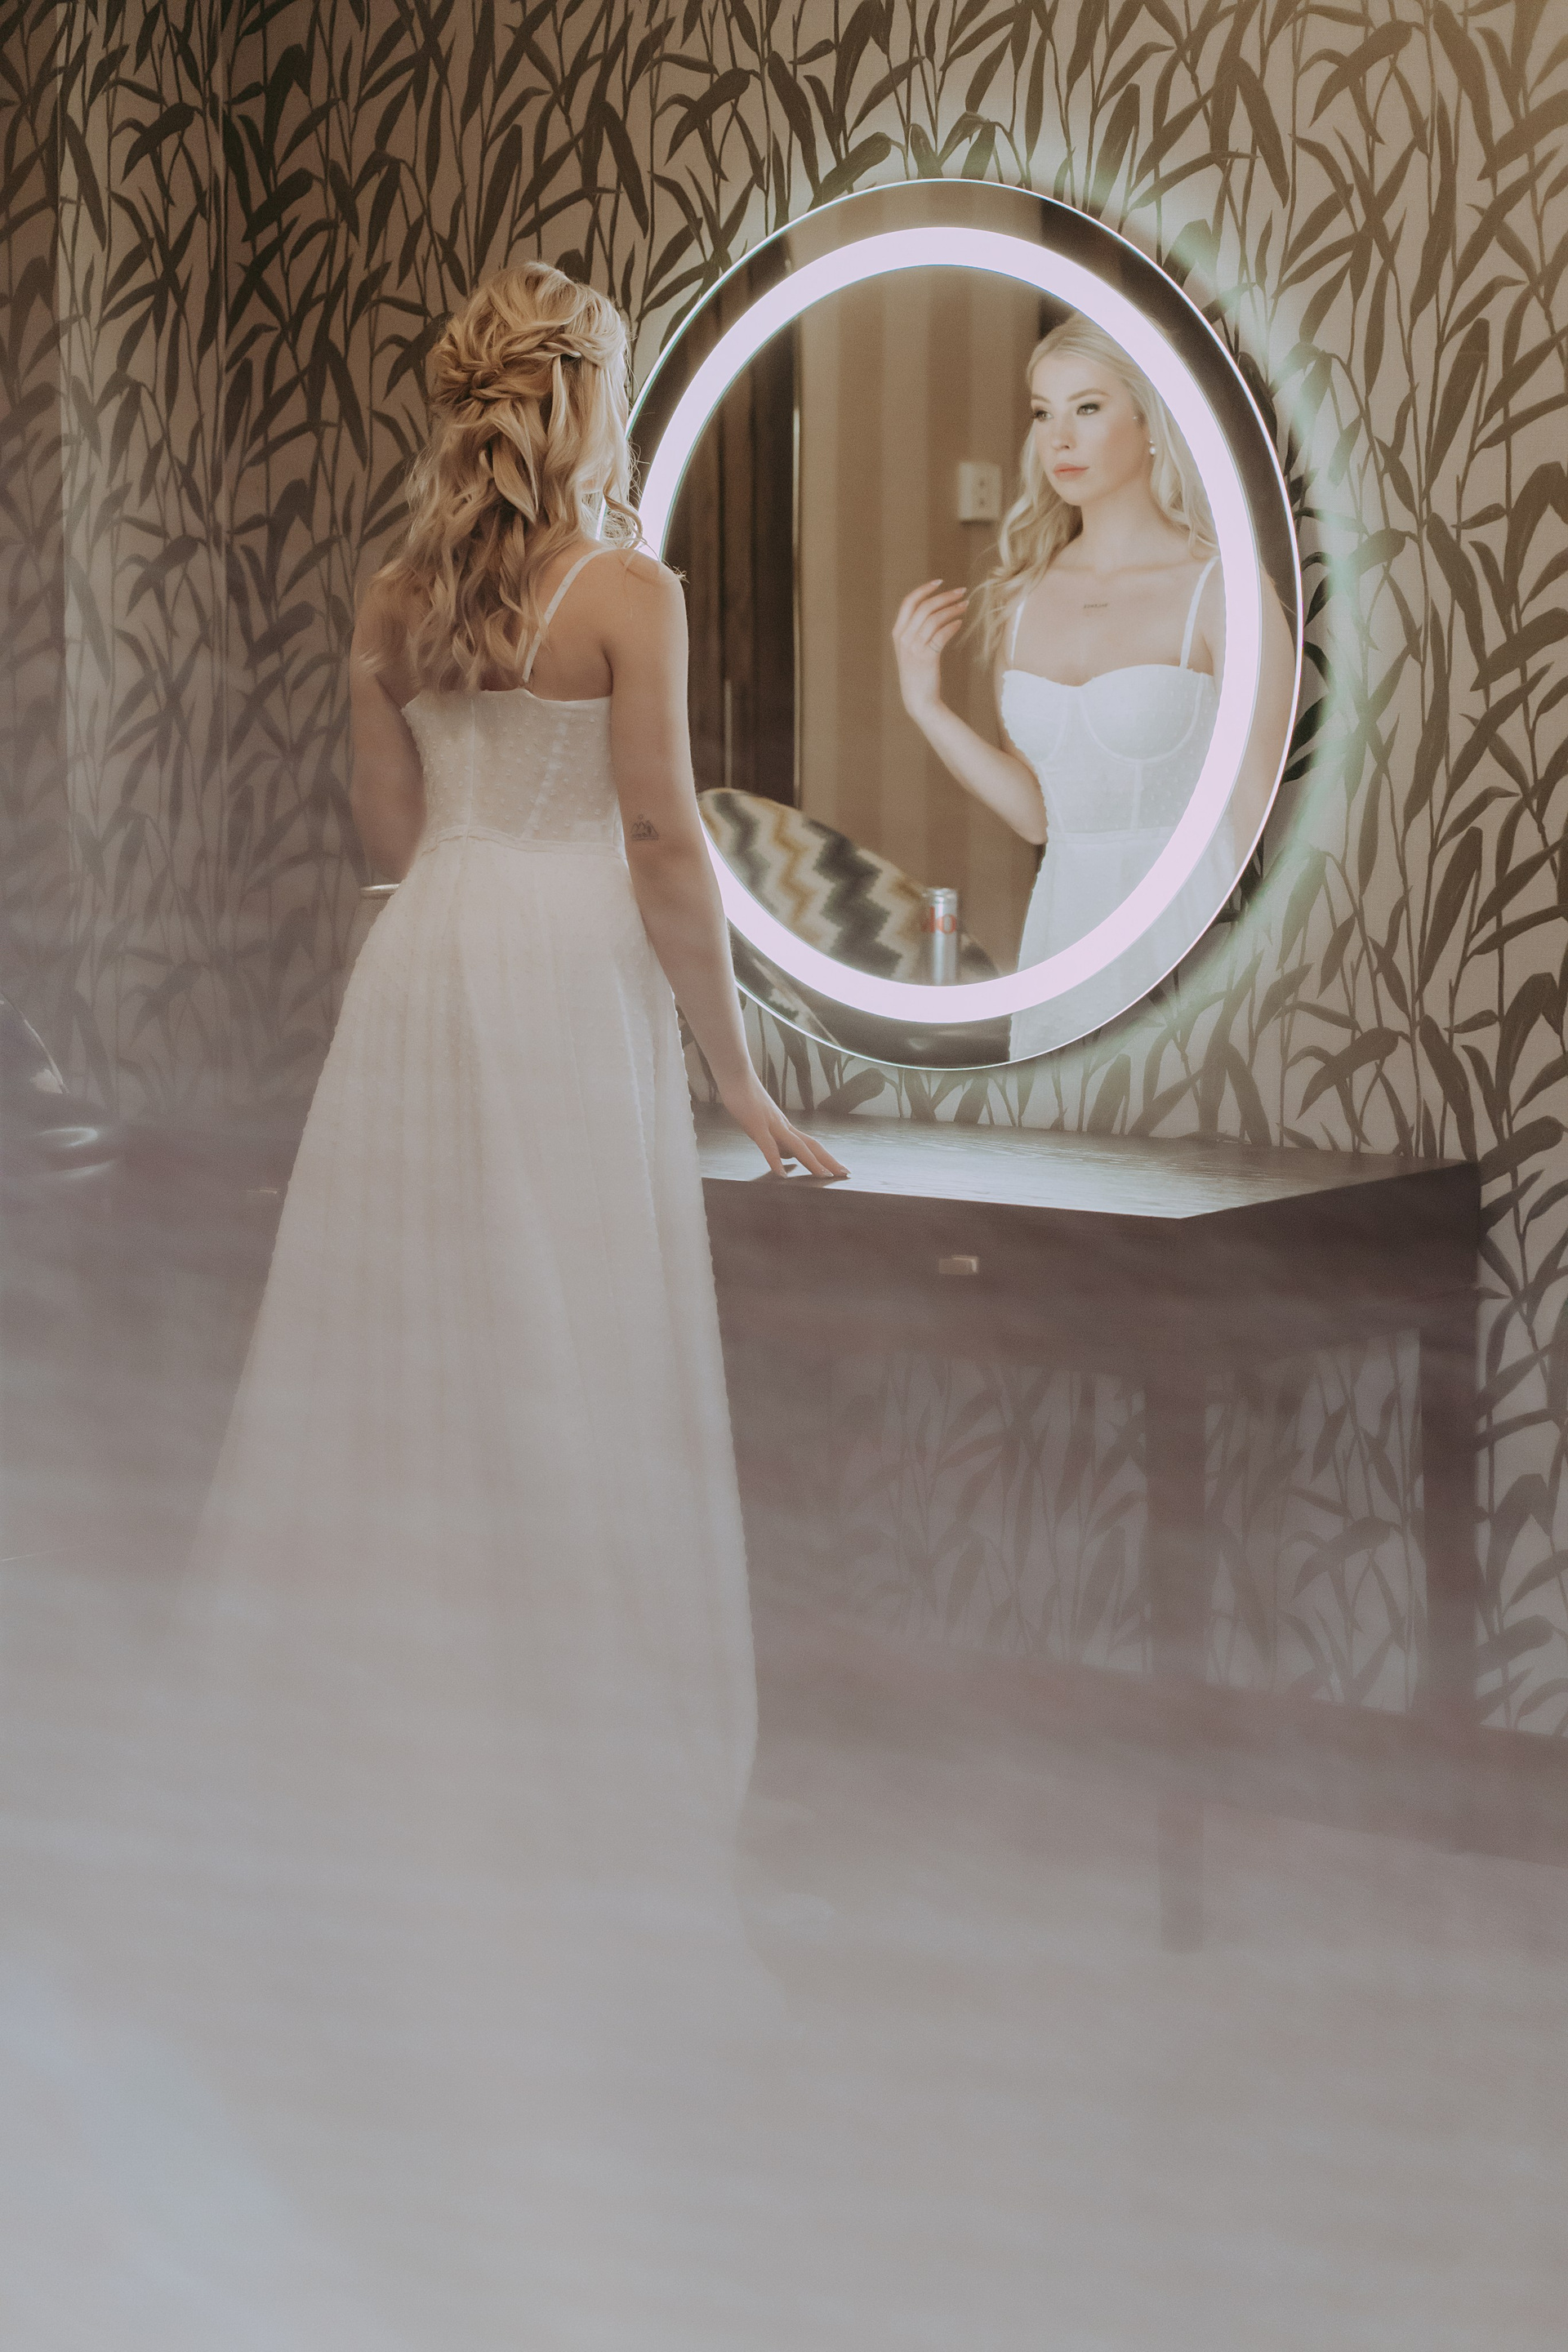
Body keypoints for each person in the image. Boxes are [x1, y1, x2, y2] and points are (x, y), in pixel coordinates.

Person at [189, 257, 846, 1898]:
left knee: (416, 1336)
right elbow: (664, 844)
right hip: (563, 972)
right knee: (569, 1337)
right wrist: (741, 1080)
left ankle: (391, 1765)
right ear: (586, 396)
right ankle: (559, 1772)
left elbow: (391, 832)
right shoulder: (629, 593)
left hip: (425, 960)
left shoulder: (391, 599)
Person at [892, 313, 1255, 1060]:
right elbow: (1038, 817)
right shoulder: (1023, 595)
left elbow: (1255, 814)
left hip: (1191, 925)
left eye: (1087, 408)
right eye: (1042, 413)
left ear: (1149, 422)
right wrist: (925, 705)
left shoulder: (1220, 589)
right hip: (1064, 932)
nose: (1058, 438)